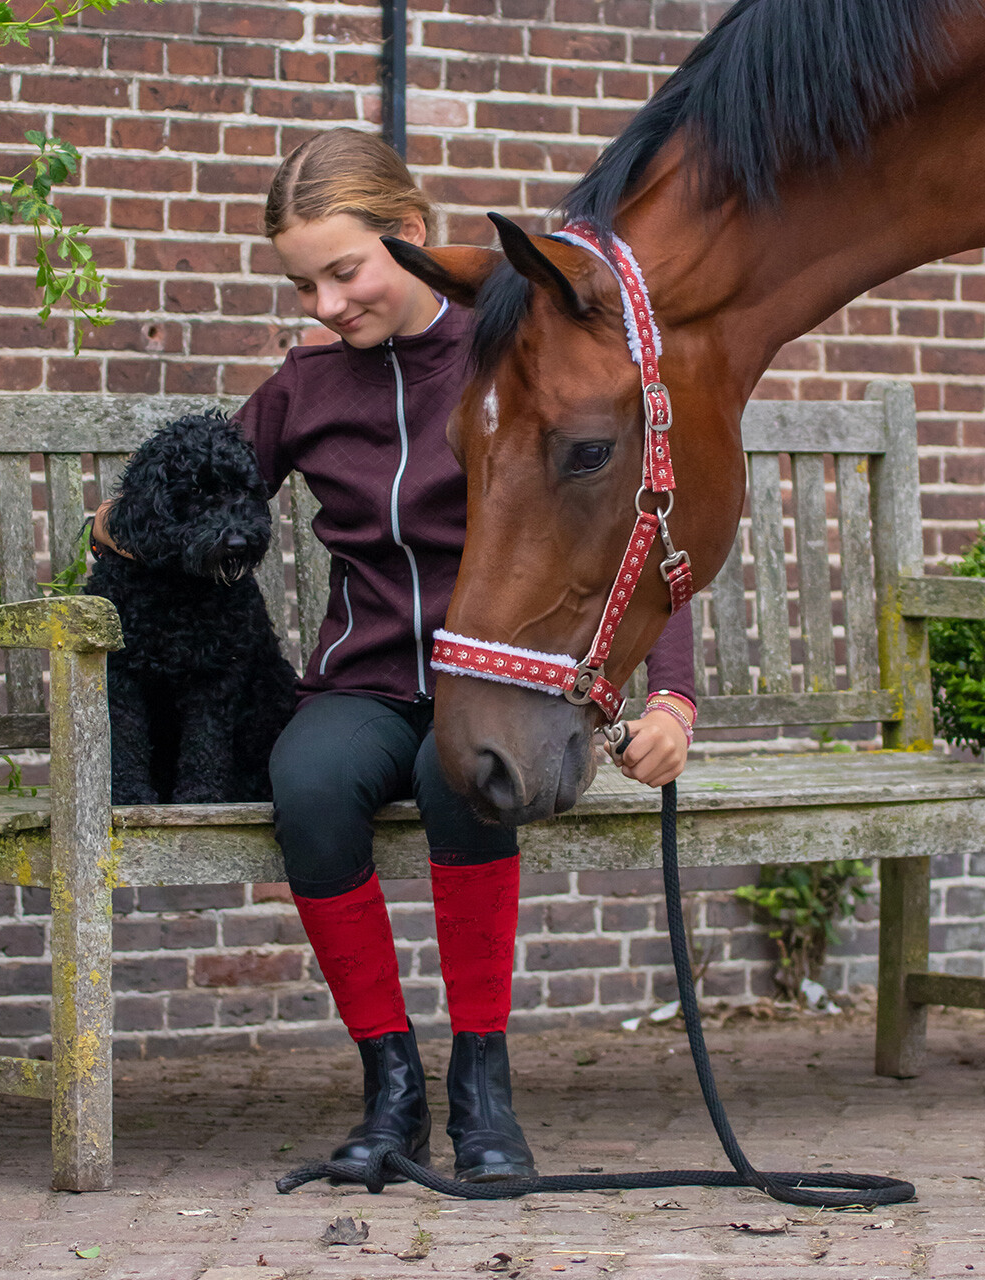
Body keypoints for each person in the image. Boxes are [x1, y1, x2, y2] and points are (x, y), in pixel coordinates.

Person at [94, 127, 698, 1184]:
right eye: (303, 284)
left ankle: (483, 1087)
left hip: (504, 685)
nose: (325, 303)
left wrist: (671, 700)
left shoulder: (510, 355)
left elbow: (637, 531)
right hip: (363, 679)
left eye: (344, 271)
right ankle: (391, 1086)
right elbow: (201, 489)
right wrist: (118, 527)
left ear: (411, 234)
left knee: (464, 779)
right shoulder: (303, 388)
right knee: (308, 781)